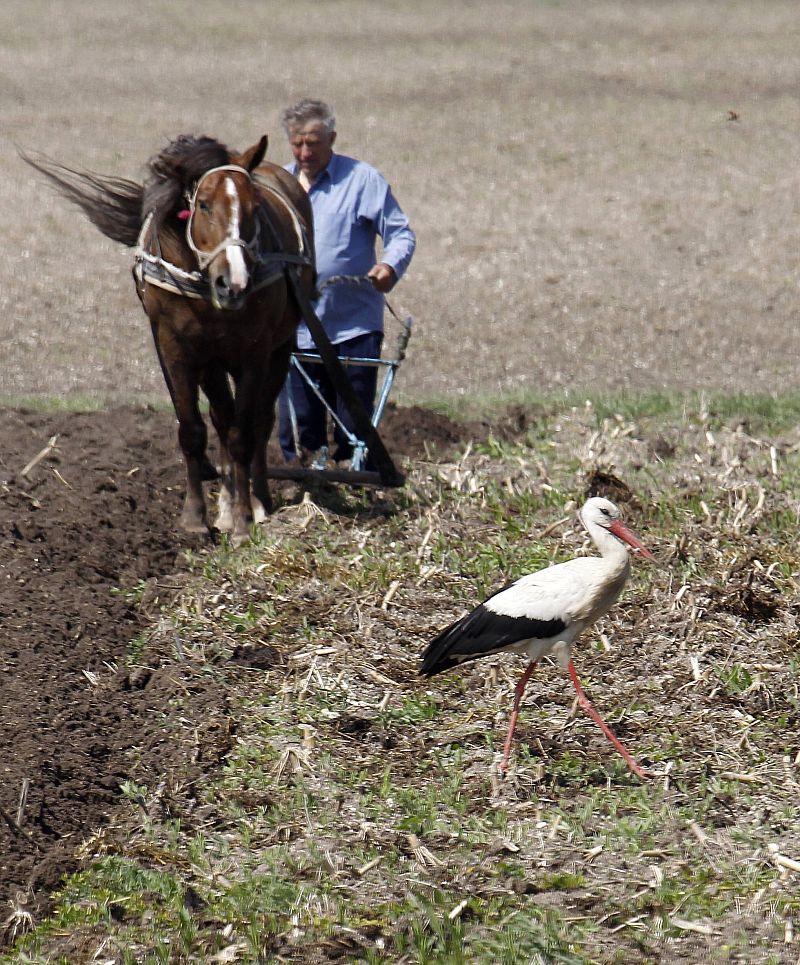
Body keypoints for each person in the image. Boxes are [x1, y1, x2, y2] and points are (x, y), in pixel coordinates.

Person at [277, 98, 416, 467]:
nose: (305, 152)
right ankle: (306, 491)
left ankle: (353, 484)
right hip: (295, 326)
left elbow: (401, 234)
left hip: (352, 324)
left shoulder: (362, 180)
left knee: (351, 424)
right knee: (298, 425)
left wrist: (389, 267)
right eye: (297, 143)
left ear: (332, 138)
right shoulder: (278, 187)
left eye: (314, 143)